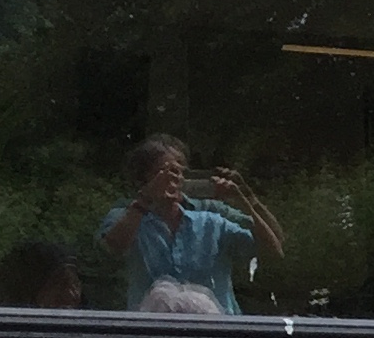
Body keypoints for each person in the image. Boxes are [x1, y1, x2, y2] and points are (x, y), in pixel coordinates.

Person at [97, 135, 281, 315]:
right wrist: (145, 199)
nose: (173, 179)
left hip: (218, 330)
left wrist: (245, 200)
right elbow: (112, 250)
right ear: (143, 177)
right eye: (164, 172)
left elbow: (272, 249)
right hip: (152, 331)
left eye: (179, 172)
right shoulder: (128, 216)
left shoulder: (211, 219)